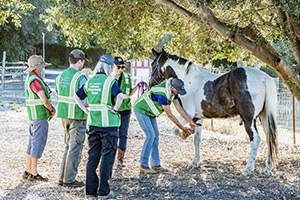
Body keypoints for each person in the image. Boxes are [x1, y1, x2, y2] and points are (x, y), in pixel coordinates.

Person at [74, 55, 126, 199]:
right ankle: (104, 192)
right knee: (107, 157)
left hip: (93, 124)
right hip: (109, 126)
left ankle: (90, 192)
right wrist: (115, 109)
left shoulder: (90, 81)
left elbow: (77, 97)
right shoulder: (110, 82)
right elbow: (121, 96)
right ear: (109, 67)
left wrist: (86, 110)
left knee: (93, 158)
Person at [134, 78, 197, 173]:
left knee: (155, 136)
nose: (178, 93)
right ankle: (143, 164)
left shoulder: (173, 92)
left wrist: (190, 121)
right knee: (150, 135)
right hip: (141, 110)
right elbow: (170, 115)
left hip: (150, 112)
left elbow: (179, 108)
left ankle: (155, 164)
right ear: (172, 87)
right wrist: (182, 128)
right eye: (178, 91)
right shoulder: (162, 94)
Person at [55, 49, 88, 187]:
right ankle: (69, 180)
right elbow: (85, 98)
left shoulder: (60, 76)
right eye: (83, 61)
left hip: (64, 116)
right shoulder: (81, 78)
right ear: (79, 61)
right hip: (77, 116)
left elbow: (59, 92)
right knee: (75, 148)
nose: (83, 64)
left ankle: (62, 178)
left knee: (68, 147)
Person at [23, 55, 56, 181]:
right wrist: (51, 109)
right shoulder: (35, 81)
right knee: (38, 143)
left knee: (31, 143)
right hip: (40, 116)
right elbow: (44, 100)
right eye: (41, 65)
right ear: (36, 68)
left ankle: (27, 170)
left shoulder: (30, 78)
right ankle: (34, 173)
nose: (43, 67)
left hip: (33, 116)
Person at [111, 56, 140, 167]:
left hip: (125, 110)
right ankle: (110, 157)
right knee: (113, 134)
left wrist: (138, 86)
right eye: (119, 67)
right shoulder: (109, 78)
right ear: (113, 66)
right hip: (113, 110)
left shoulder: (127, 77)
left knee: (123, 134)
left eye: (123, 67)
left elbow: (129, 94)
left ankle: (120, 158)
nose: (121, 69)